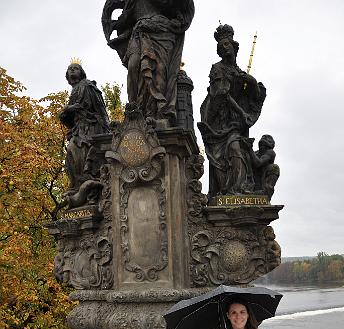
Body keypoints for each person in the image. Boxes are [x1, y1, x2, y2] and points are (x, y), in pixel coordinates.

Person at [198, 24, 266, 199]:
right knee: (234, 148)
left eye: (227, 44)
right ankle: (233, 191)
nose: (224, 48)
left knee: (242, 149)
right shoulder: (217, 68)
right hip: (220, 122)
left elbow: (254, 97)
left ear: (234, 47)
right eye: (221, 47)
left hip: (237, 123)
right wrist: (242, 113)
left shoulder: (239, 71)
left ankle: (242, 189)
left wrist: (251, 82)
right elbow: (222, 94)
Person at [102, 0, 195, 123]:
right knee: (133, 66)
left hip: (161, 32)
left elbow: (181, 7)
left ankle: (157, 113)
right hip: (139, 33)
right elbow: (125, 18)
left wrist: (178, 22)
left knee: (159, 71)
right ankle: (134, 109)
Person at [59, 63, 110, 194]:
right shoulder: (74, 90)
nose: (72, 71)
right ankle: (77, 186)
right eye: (69, 69)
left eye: (75, 69)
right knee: (71, 153)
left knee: (82, 155)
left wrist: (107, 129)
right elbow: (71, 118)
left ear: (81, 72)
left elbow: (99, 108)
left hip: (92, 128)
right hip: (79, 130)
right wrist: (65, 114)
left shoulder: (87, 86)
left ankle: (88, 182)